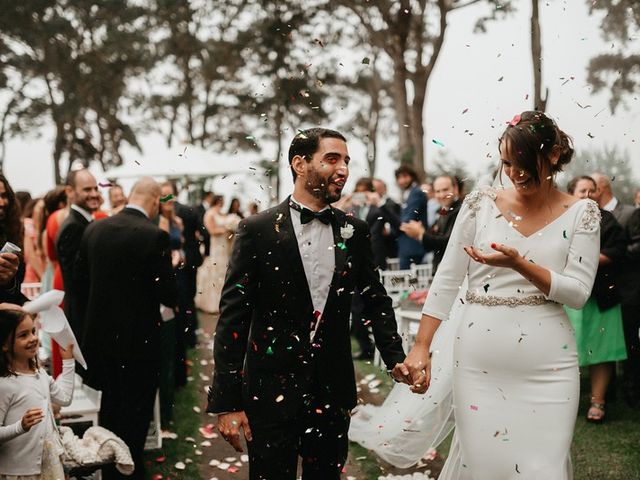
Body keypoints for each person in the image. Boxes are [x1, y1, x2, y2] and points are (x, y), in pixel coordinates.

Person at [399, 111, 600, 478]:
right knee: (488, 467)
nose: (515, 172)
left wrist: (520, 264)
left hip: (548, 365)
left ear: (553, 155)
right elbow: (446, 279)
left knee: (544, 470)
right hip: (479, 360)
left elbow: (578, 293)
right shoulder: (479, 204)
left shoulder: (581, 213)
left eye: (525, 162)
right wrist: (421, 346)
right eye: (507, 163)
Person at [207, 127, 407, 480]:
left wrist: (395, 359)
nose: (343, 168)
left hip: (332, 389)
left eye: (346, 160)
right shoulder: (257, 229)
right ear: (300, 164)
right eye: (332, 159)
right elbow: (233, 318)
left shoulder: (354, 231)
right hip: (269, 392)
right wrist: (227, 402)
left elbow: (375, 299)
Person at [75, 177, 177, 479]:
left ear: (131, 195)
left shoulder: (94, 229)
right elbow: (168, 296)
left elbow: (79, 286)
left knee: (109, 411)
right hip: (138, 345)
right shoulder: (153, 236)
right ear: (156, 201)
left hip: (100, 342)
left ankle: (110, 468)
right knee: (135, 416)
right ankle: (129, 470)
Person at [564, 175, 627, 423]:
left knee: (601, 352)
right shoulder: (561, 219)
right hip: (570, 299)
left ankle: (598, 403)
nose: (589, 195)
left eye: (593, 191)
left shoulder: (608, 220)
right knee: (569, 352)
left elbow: (618, 250)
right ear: (571, 194)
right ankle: (567, 403)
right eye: (582, 191)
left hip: (602, 298)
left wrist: (587, 259)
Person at [0, 307, 75, 479]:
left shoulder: (40, 374)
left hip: (47, 464)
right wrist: (21, 426)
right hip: (18, 471)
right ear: (4, 344)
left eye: (33, 331)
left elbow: (64, 399)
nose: (33, 338)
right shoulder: (4, 384)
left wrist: (68, 362)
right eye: (23, 335)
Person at [56, 168, 99, 338]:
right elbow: (77, 279)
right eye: (87, 189)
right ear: (70, 191)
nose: (94, 194)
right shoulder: (73, 227)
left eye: (96, 188)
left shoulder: (85, 222)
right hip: (83, 315)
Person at [400, 175, 462, 273]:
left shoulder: (460, 211)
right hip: (441, 269)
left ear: (455, 188)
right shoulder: (441, 212)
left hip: (454, 270)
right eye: (438, 191)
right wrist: (419, 234)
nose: (441, 195)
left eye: (445, 190)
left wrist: (421, 234)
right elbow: (431, 242)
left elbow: (449, 243)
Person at [195, 195, 231, 314]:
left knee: (224, 273)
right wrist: (225, 229)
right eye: (221, 200)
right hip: (215, 246)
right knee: (215, 273)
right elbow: (211, 231)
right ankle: (212, 304)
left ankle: (223, 302)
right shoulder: (210, 213)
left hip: (224, 246)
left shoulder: (222, 213)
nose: (223, 202)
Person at [394, 165, 427, 269]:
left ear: (412, 176)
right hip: (407, 245)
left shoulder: (416, 192)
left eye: (405, 176)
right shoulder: (407, 193)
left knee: (411, 282)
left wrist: (392, 227)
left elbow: (409, 218)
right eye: (399, 177)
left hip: (413, 245)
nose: (402, 180)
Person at [0, 175, 26, 306]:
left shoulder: (10, 232)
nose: (2, 203)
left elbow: (15, 289)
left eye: (4, 196)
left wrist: (8, 281)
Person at [372, 178, 400, 263]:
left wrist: (388, 230)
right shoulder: (370, 204)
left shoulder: (392, 203)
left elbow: (395, 222)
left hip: (389, 246)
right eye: (373, 188)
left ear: (385, 189)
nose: (375, 191)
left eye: (378, 188)